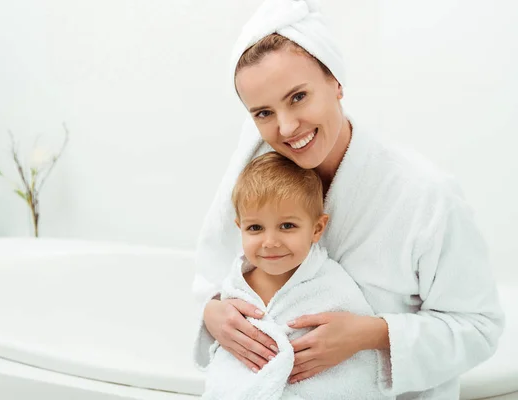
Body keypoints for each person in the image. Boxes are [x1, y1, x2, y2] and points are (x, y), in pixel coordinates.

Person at [192, 0, 505, 398]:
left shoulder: (424, 195)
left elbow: (480, 328)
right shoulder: (258, 176)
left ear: (336, 83)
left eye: (298, 97)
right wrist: (213, 313)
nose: (286, 126)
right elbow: (215, 272)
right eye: (263, 113)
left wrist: (372, 335)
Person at [202, 151, 392, 399]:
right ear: (241, 228)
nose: (270, 242)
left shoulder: (332, 286)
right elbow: (227, 357)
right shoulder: (235, 285)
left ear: (316, 228)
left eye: (287, 226)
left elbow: (362, 363)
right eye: (255, 227)